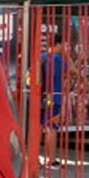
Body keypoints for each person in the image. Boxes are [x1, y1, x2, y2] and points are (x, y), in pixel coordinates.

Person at [40, 33, 66, 167]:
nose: (65, 47)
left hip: (42, 97)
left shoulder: (41, 57)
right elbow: (72, 72)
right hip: (55, 97)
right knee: (52, 128)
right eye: (63, 44)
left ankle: (37, 157)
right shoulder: (60, 59)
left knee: (41, 127)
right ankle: (51, 158)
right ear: (57, 44)